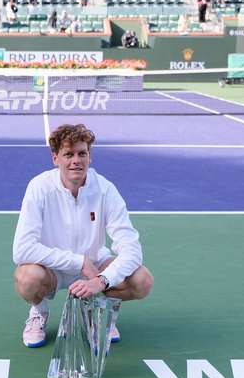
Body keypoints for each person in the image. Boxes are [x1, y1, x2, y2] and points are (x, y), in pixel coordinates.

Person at [13, 124, 153, 348]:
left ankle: (95, 309)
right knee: (26, 278)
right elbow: (22, 250)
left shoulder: (106, 189)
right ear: (55, 159)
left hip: (96, 268)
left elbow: (132, 250)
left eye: (82, 153)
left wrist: (102, 280)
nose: (76, 160)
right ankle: (39, 312)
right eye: (68, 154)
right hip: (52, 270)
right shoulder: (39, 187)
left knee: (142, 281)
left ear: (90, 156)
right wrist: (78, 261)